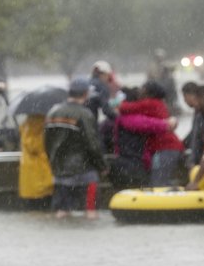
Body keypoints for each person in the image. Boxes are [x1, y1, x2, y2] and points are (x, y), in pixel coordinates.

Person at [44, 78, 108, 219]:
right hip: (84, 170)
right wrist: (102, 165)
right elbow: (92, 144)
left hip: (59, 169)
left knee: (62, 212)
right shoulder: (84, 114)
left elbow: (47, 142)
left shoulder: (52, 112)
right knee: (91, 212)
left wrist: (53, 162)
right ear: (85, 94)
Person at [119, 80, 185, 187]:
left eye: (142, 89)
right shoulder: (158, 103)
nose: (139, 91)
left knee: (159, 181)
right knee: (162, 179)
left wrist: (119, 102)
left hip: (165, 148)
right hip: (167, 148)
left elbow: (124, 108)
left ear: (149, 92)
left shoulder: (150, 103)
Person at [18, 114, 54, 208]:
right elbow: (35, 147)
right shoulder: (38, 124)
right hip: (39, 169)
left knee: (33, 204)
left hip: (29, 169)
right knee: (42, 201)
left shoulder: (27, 124)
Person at [181, 82, 204, 170]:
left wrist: (193, 160)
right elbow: (195, 135)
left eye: (185, 97)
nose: (185, 101)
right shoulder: (200, 113)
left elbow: (196, 137)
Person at [147, 48, 180, 115]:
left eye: (160, 57)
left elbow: (174, 67)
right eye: (158, 57)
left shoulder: (166, 65)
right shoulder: (152, 66)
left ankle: (173, 104)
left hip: (166, 86)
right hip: (156, 86)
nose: (159, 59)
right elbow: (150, 77)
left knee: (171, 85)